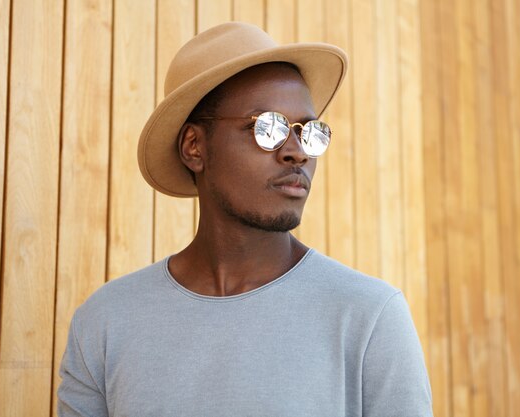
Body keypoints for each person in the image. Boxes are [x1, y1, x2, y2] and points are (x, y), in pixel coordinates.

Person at [57, 22, 432, 417]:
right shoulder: (105, 325)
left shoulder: (369, 317)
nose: (298, 153)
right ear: (194, 147)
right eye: (268, 127)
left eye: (309, 132)